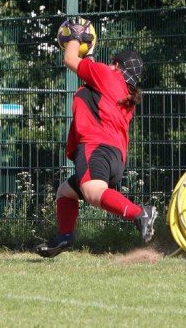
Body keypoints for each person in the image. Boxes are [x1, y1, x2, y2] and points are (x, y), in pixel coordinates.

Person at [35, 19, 158, 258]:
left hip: (95, 148)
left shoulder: (106, 74)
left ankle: (139, 214)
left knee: (93, 193)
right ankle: (64, 236)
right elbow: (91, 78)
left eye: (111, 63)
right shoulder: (125, 92)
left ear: (116, 65)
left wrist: (75, 35)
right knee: (65, 193)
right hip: (115, 158)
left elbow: (70, 59)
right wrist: (88, 52)